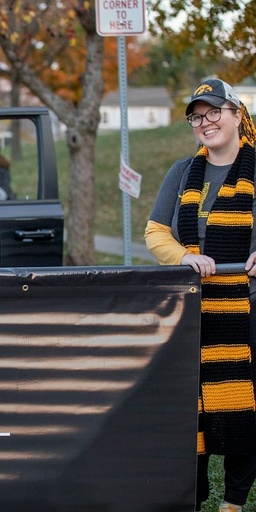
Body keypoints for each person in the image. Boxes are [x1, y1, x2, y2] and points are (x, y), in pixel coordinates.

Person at [144, 78, 256, 512]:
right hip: (192, 309)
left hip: (245, 307)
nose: (205, 122)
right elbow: (156, 231)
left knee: (245, 402)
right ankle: (191, 497)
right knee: (192, 407)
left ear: (236, 114)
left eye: (214, 113)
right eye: (197, 116)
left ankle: (233, 501)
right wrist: (183, 257)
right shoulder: (182, 172)